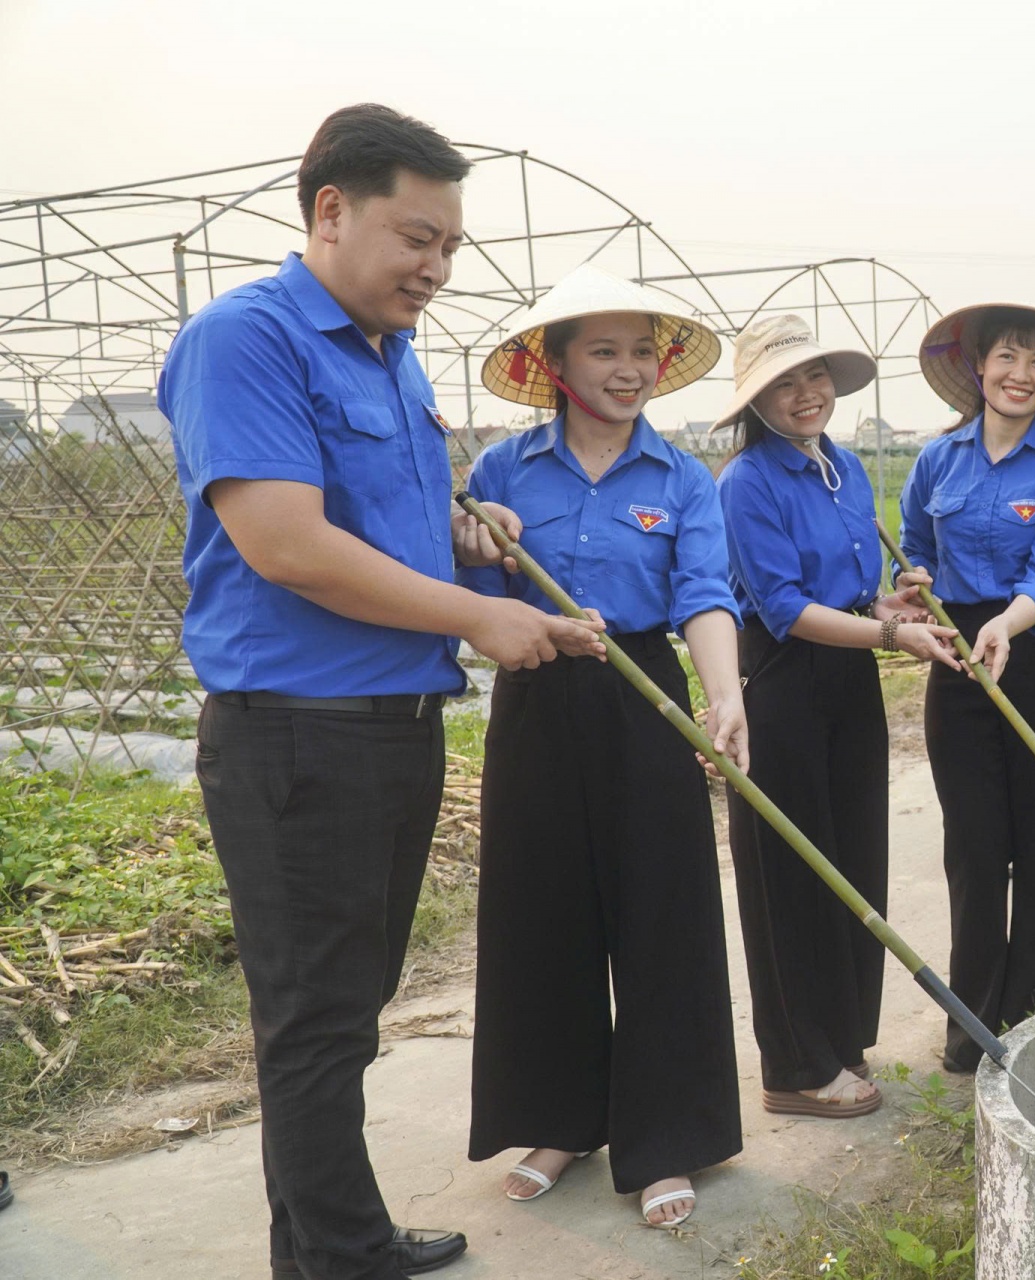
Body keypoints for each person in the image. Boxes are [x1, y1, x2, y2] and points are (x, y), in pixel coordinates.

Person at [160, 104, 606, 1280]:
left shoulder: (391, 357)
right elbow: (288, 546)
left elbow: (381, 532)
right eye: (419, 237)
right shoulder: (245, 340)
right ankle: (341, 1252)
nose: (437, 268)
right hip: (298, 735)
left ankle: (326, 1240)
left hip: (392, 725)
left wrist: (467, 536)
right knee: (314, 1020)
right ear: (329, 211)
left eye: (452, 247)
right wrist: (483, 615)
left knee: (344, 1012)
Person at [459, 265, 743, 1229]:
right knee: (545, 913)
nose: (629, 371)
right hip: (536, 696)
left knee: (662, 915)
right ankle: (561, 1120)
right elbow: (474, 600)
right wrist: (498, 587)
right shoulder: (503, 473)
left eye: (641, 353)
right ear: (557, 363)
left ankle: (665, 1138)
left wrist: (725, 696)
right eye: (604, 350)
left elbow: (705, 594)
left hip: (642, 693)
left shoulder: (683, 477)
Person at [714, 316, 962, 1120]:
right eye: (785, 383)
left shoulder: (846, 468)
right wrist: (896, 634)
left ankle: (843, 1037)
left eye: (816, 376)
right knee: (792, 872)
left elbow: (850, 594)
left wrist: (889, 605)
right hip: (781, 684)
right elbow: (785, 609)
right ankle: (794, 1065)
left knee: (855, 854)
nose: (806, 394)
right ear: (757, 401)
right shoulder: (745, 483)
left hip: (847, 677)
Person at [902, 303, 1035, 1072]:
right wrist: (912, 582)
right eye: (1008, 358)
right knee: (975, 850)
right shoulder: (937, 459)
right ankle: (976, 1031)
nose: (1020, 375)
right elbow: (915, 548)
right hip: (959, 663)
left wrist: (1007, 627)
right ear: (979, 365)